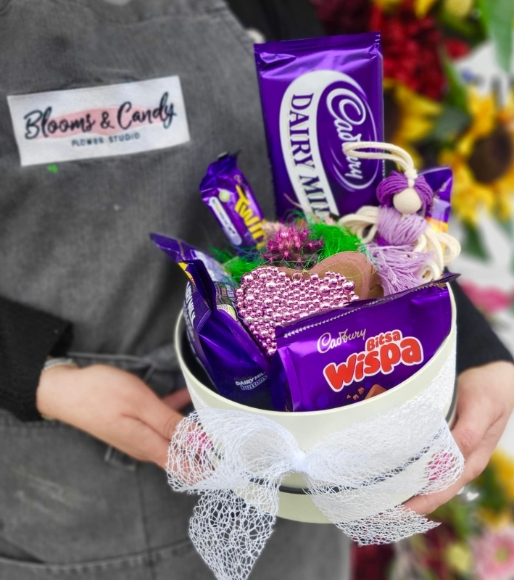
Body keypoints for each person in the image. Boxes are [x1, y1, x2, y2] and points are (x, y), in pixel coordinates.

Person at [0, 1, 512, 579]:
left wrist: (470, 346)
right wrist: (38, 375)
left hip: (305, 500)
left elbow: (345, 190)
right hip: (75, 499)